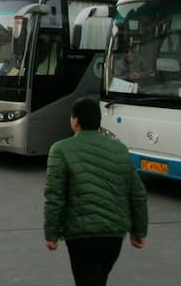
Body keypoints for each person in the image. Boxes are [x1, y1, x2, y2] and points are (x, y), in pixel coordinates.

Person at [44, 97, 149, 286]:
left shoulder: (60, 149)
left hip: (80, 236)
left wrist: (51, 233)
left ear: (75, 121)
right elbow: (137, 194)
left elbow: (54, 196)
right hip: (113, 235)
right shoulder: (119, 149)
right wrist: (139, 230)